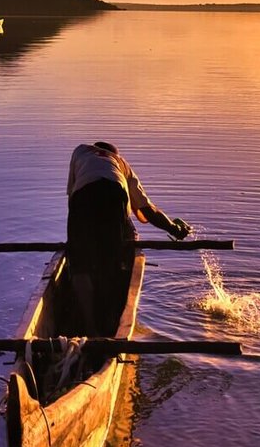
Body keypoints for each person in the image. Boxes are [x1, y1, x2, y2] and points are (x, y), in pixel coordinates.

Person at [64, 142, 192, 334]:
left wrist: (77, 240)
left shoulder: (80, 151)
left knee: (79, 261)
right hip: (115, 193)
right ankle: (109, 321)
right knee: (112, 262)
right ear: (114, 154)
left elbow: (73, 196)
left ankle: (89, 325)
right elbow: (148, 210)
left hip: (82, 196)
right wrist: (174, 229)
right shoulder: (121, 165)